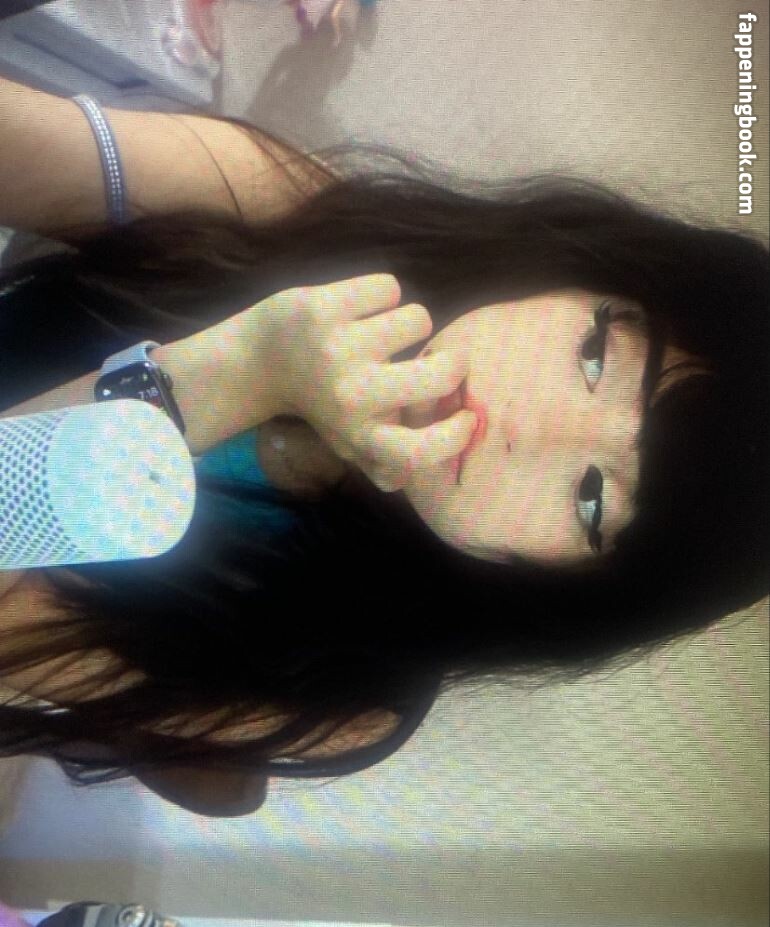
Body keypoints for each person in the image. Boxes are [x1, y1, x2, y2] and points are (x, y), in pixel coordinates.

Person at [0, 77, 767, 816]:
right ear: (576, 273)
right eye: (595, 355)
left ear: (572, 585)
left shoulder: (348, 692)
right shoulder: (284, 208)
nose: (523, 429)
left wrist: (233, 376)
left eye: (591, 496)